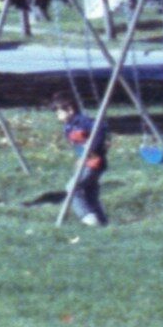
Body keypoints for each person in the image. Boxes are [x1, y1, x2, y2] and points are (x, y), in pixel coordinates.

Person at [54, 91, 110, 227]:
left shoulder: (83, 121)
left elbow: (101, 127)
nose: (57, 115)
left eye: (59, 111)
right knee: (90, 194)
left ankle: (88, 218)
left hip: (95, 162)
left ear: (70, 110)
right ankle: (102, 223)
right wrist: (81, 158)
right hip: (85, 162)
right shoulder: (68, 126)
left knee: (72, 187)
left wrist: (93, 148)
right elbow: (79, 144)